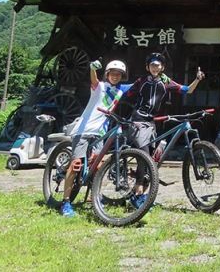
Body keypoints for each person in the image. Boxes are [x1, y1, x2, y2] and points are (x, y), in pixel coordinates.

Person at [121, 52, 205, 208]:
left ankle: (137, 194)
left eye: (158, 65)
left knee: (153, 160)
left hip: (152, 124)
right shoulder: (141, 81)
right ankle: (138, 197)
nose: (155, 67)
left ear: (162, 67)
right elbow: (126, 92)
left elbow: (187, 90)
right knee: (144, 157)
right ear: (147, 67)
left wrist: (197, 79)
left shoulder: (166, 81)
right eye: (152, 64)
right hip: (138, 121)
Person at [60, 59, 130, 217]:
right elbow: (94, 79)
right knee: (76, 163)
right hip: (84, 130)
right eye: (112, 73)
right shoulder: (100, 87)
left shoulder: (120, 90)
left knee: (96, 166)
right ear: (107, 74)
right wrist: (92, 68)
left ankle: (93, 197)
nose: (115, 76)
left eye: (118, 74)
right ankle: (66, 202)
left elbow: (139, 85)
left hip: (100, 133)